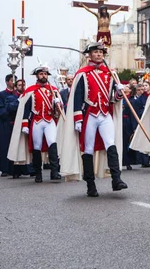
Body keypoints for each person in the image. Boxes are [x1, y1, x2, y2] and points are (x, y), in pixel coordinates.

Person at [60, 41, 127, 197]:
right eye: (96, 52)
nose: (99, 55)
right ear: (89, 55)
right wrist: (77, 118)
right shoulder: (83, 73)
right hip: (89, 114)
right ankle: (90, 184)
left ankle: (116, 179)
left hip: (105, 113)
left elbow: (113, 99)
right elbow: (77, 97)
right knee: (88, 148)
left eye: (101, 52)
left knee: (111, 144)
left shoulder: (110, 74)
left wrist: (118, 93)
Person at [9, 65, 62, 183]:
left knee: (52, 142)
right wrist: (24, 124)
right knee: (36, 147)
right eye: (41, 74)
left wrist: (58, 103)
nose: (43, 76)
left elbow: (59, 111)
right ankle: (38, 172)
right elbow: (26, 109)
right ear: (37, 76)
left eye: (45, 74)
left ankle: (55, 171)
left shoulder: (53, 90)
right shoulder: (31, 91)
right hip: (37, 121)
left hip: (49, 120)